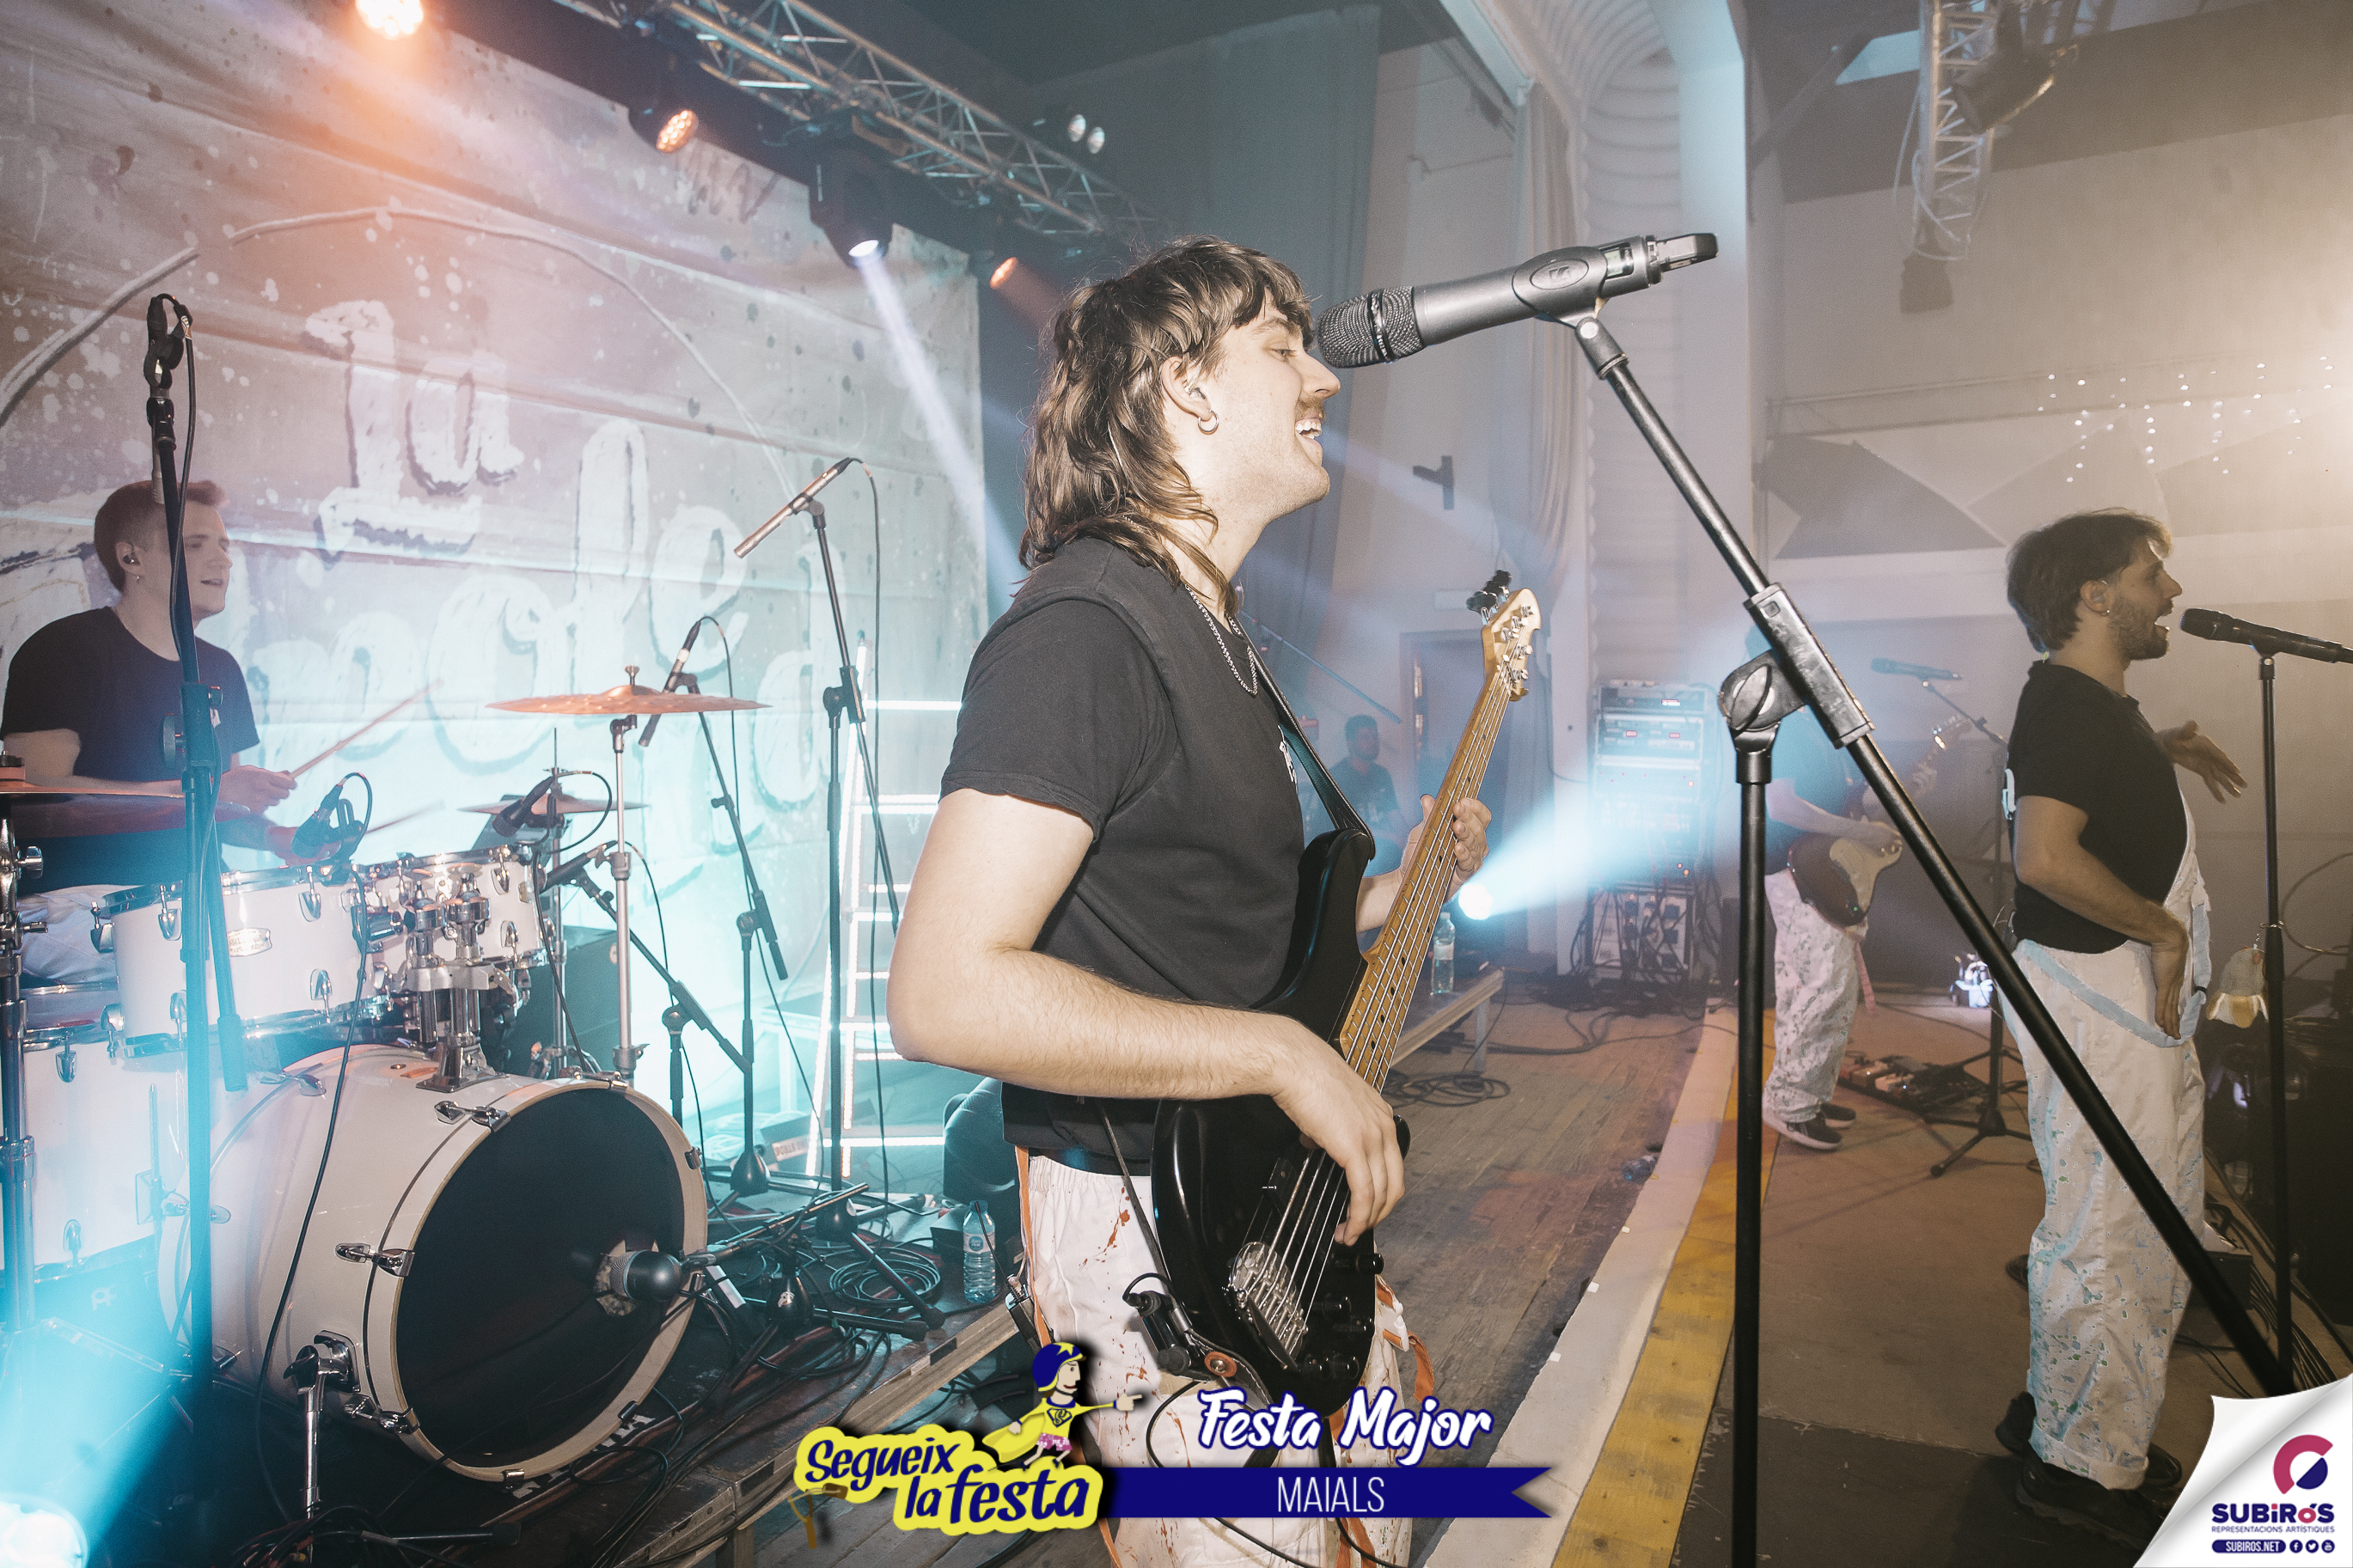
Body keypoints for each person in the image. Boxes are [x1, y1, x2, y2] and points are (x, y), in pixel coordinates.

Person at [888, 238, 1488, 1568]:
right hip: (1146, 1219)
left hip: (1250, 1198)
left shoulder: (1211, 634)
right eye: (1282, 347)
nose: (1324, 376)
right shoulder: (1085, 631)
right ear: (1185, 389)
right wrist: (1280, 1055)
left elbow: (1209, 939)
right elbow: (942, 992)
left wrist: (1404, 892)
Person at [1994, 509, 2245, 1548]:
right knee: (2109, 1229)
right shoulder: (2068, 706)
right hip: (2099, 996)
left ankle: (2068, 1422)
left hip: (2116, 1004)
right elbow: (2044, 858)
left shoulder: (2092, 707)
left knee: (2133, 1223)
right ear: (2094, 596)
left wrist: (2159, 745)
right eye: (2150, 576)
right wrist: (2162, 930)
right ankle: (2078, 1470)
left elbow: (2090, 766)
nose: (2168, 593)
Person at [2, 480, 296, 981]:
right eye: (195, 545)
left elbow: (220, 812)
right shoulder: (63, 651)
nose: (222, 561)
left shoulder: (221, 668)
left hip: (195, 896)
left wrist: (277, 837)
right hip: (82, 904)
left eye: (224, 545)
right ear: (130, 558)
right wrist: (200, 791)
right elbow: (37, 800)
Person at [1755, 629, 1901, 1151]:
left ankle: (1808, 1095)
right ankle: (1790, 1105)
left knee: (1826, 992)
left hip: (1816, 869)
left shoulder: (1812, 724)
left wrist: (1873, 806)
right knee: (1821, 991)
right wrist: (1861, 834)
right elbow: (1783, 806)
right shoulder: (1780, 722)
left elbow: (1835, 801)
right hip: (1797, 873)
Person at [1334, 715, 1403, 870]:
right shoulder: (1338, 776)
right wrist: (1394, 838)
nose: (1372, 742)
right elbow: (1349, 825)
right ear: (1350, 743)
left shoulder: (1382, 774)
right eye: (1365, 737)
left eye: (1375, 736)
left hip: (1387, 848)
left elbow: (1394, 814)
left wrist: (1410, 838)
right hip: (1354, 849)